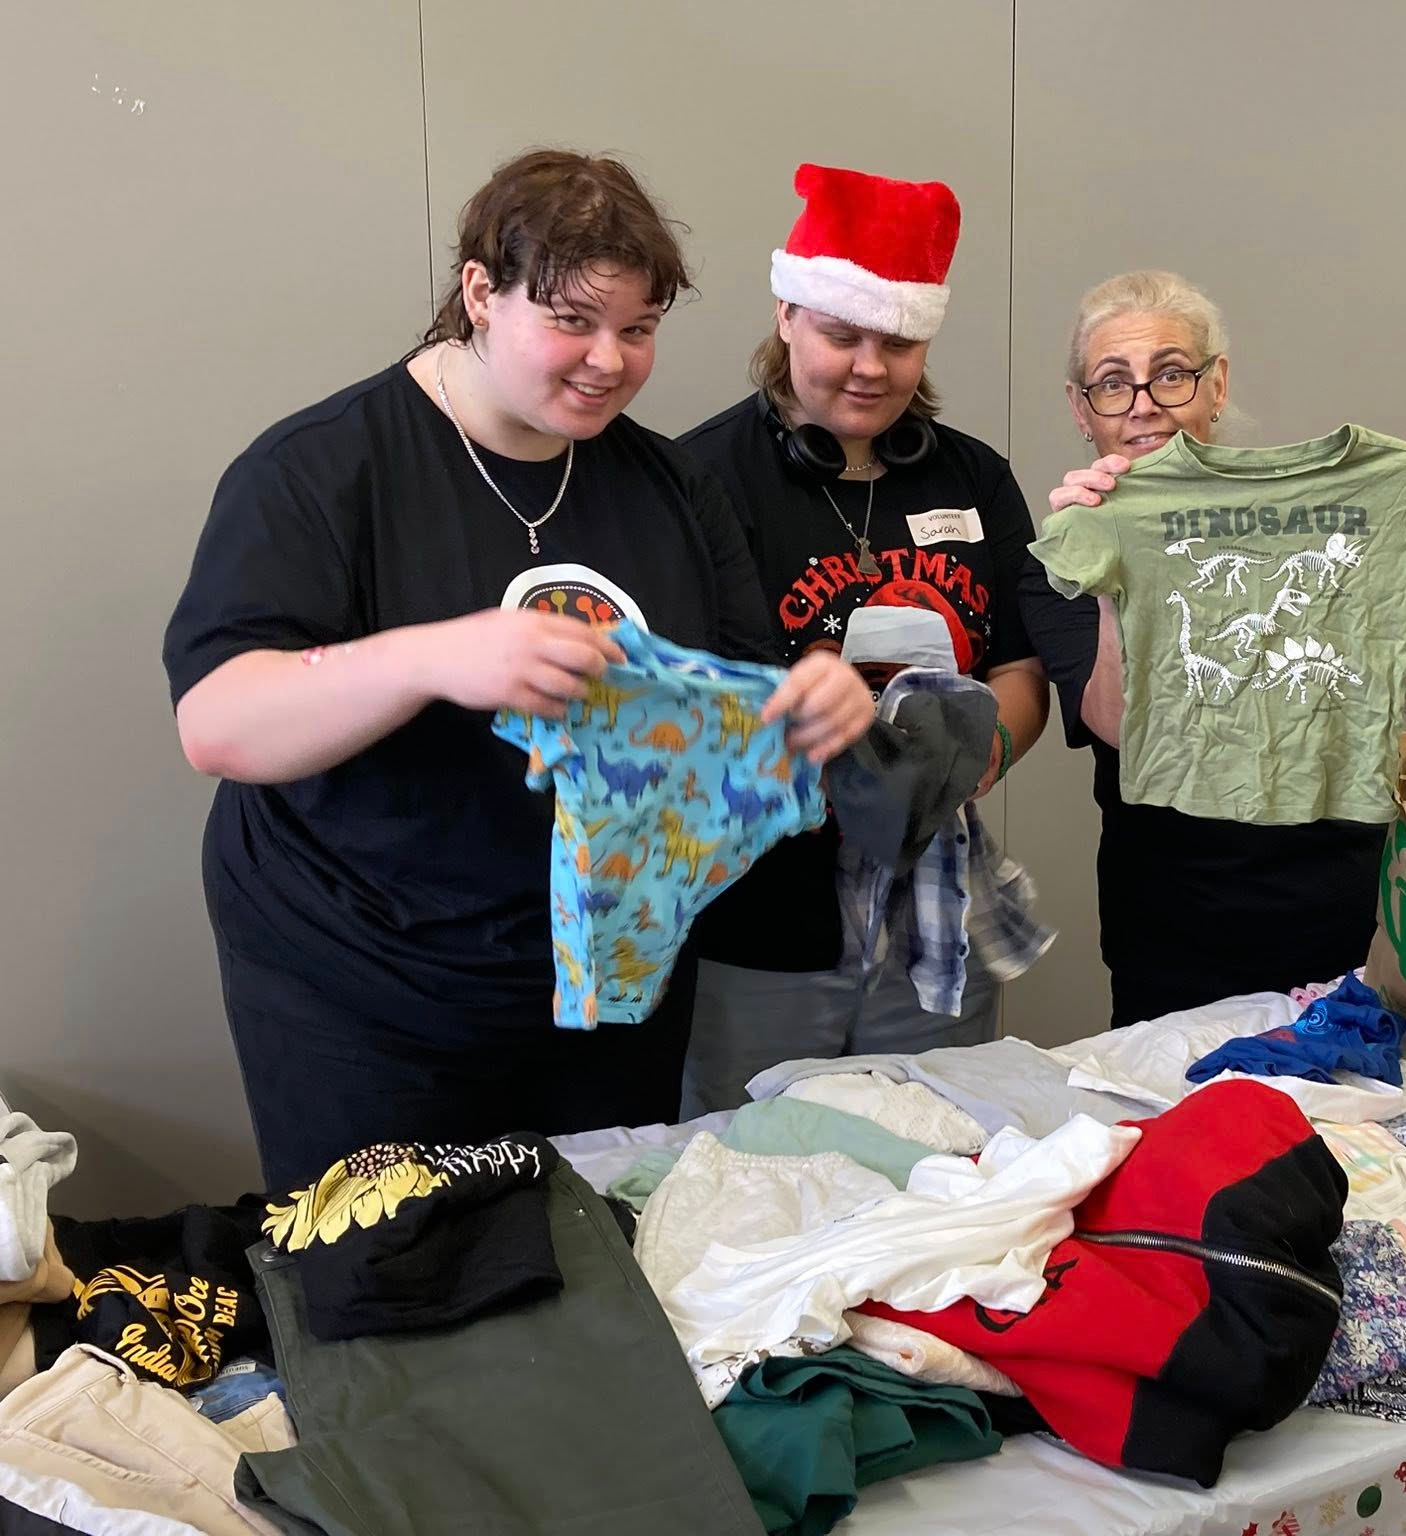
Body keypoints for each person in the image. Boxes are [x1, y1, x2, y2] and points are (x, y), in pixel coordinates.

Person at [163, 150, 874, 1187]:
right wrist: (430, 657)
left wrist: (805, 700)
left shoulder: (667, 484)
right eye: (572, 322)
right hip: (367, 986)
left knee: (599, 1259)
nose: (608, 360)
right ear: (479, 295)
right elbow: (217, 725)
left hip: (604, 985)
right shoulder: (319, 470)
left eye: (637, 329)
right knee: (399, 1290)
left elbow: (739, 690)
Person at [1019, 269, 1406, 1027]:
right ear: (1081, 410)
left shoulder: (1341, 505)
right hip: (1172, 911)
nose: (1144, 403)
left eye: (1172, 375)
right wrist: (1110, 574)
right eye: (1113, 384)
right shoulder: (1087, 522)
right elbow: (1119, 724)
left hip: (1341, 887)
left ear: (1216, 385)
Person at [675, 164, 1051, 1115]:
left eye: (900, 341)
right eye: (843, 334)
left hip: (935, 917)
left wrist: (974, 760)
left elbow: (1017, 664)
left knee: (937, 1153)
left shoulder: (974, 477)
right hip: (759, 925)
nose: (870, 367)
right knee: (747, 1168)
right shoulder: (697, 481)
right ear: (787, 314)